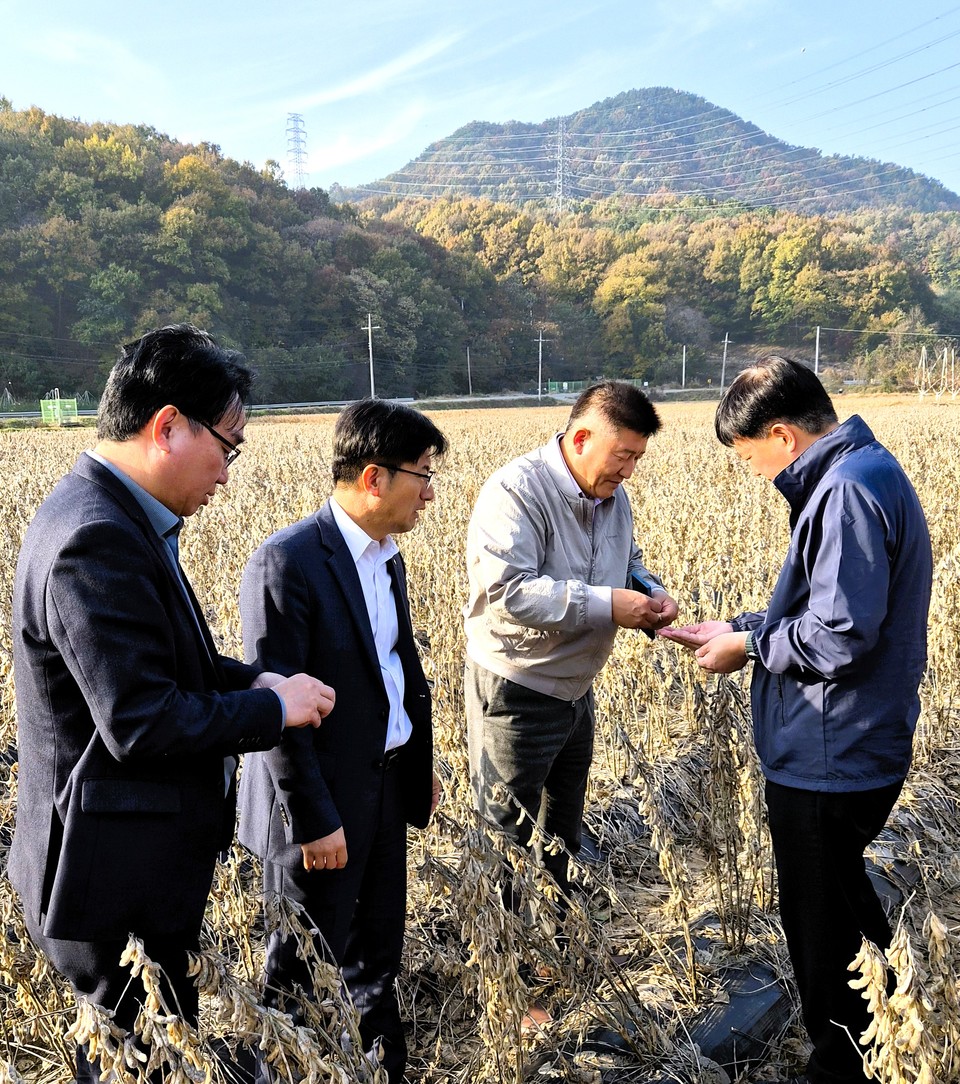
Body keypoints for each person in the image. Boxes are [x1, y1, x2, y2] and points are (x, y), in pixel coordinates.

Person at [8, 324, 335, 1083]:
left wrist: (251, 682)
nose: (226, 473)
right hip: (102, 874)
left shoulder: (116, 514)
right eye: (228, 447)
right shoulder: (96, 538)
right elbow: (141, 721)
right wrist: (273, 712)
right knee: (134, 1055)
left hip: (117, 858)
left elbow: (160, 665)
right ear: (167, 427)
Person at [660, 356, 932, 1084]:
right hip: (853, 737)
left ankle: (844, 1066)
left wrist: (748, 647)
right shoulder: (868, 471)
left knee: (822, 925)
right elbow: (829, 611)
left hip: (831, 747)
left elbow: (838, 637)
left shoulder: (845, 491)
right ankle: (896, 1037)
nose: (753, 472)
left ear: (782, 434)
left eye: (749, 456)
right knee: (842, 900)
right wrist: (741, 626)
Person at [238, 398, 447, 1083]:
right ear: (374, 478)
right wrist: (314, 820)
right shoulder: (289, 561)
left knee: (376, 962)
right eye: (422, 474)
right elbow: (275, 708)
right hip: (318, 811)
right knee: (298, 980)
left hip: (381, 791)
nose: (430, 492)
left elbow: (394, 669)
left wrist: (414, 763)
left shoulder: (387, 558)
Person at [463, 380, 678, 920]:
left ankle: (560, 936)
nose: (629, 470)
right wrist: (608, 604)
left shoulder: (612, 496)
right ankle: (507, 959)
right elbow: (510, 591)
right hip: (518, 687)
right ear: (581, 438)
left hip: (577, 688)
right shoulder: (516, 491)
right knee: (505, 834)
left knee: (561, 828)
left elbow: (626, 561)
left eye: (637, 457)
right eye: (623, 455)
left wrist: (649, 592)